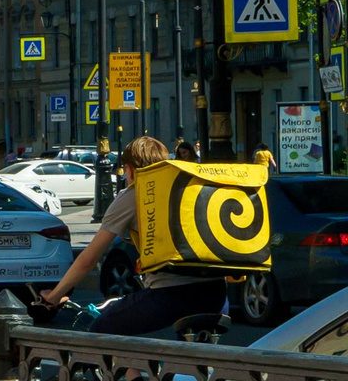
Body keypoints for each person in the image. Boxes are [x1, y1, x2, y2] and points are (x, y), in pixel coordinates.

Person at [41, 135, 229, 337]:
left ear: (129, 169)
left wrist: (54, 296)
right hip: (217, 293)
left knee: (101, 330)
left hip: (171, 295)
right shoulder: (188, 188)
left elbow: (89, 259)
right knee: (189, 357)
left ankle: (132, 370)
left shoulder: (135, 195)